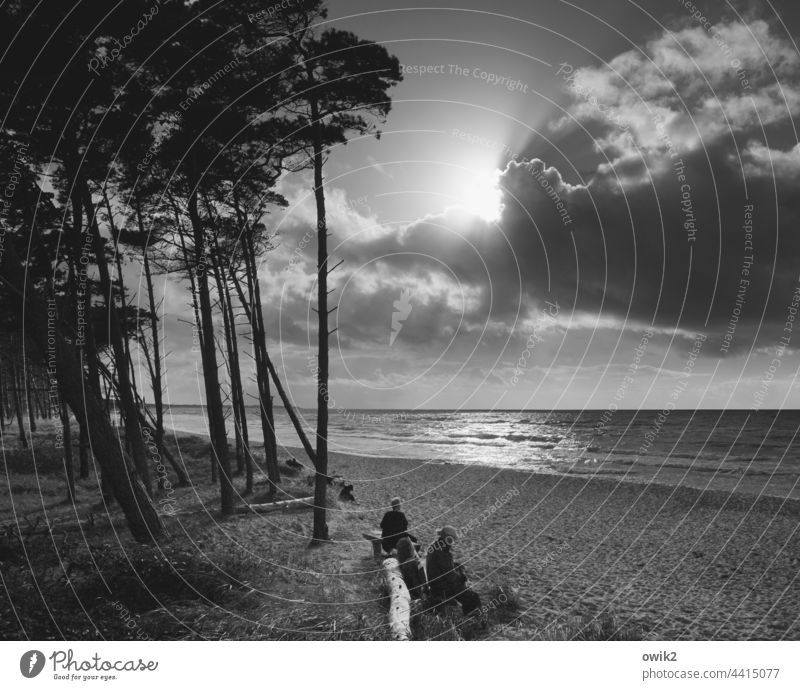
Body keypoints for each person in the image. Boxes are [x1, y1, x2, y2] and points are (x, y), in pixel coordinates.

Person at [425, 526, 481, 616]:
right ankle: (472, 620)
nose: (451, 544)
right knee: (473, 596)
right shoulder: (443, 553)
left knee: (458, 568)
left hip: (434, 584)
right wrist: (461, 578)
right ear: (446, 538)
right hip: (442, 588)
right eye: (451, 540)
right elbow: (451, 577)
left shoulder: (434, 546)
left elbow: (444, 567)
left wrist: (455, 568)